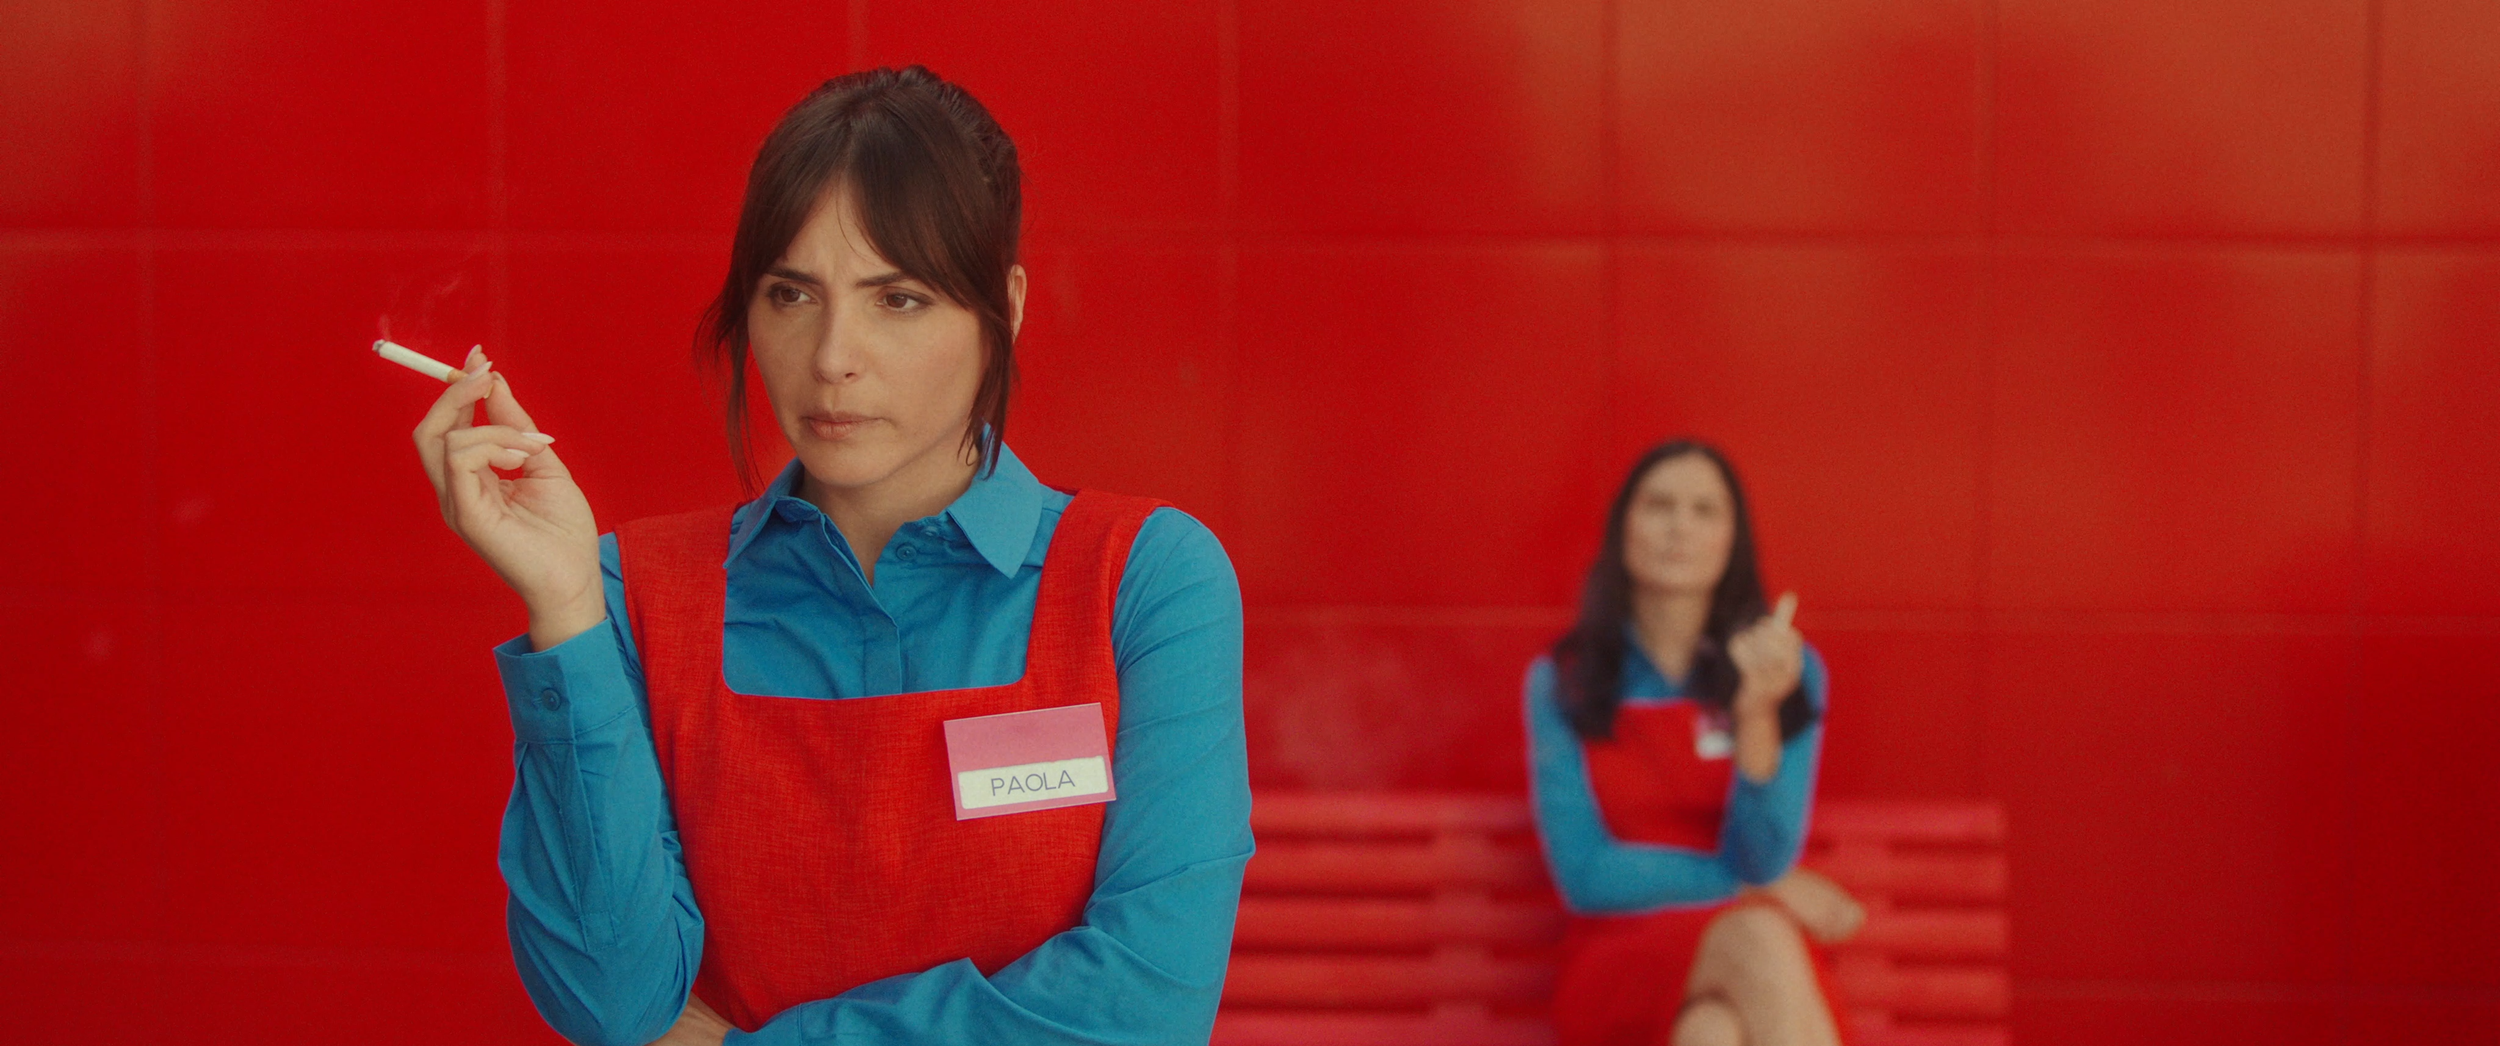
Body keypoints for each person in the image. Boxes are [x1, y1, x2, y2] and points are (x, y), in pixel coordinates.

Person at [408, 67, 1250, 1046]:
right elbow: (612, 1002)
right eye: (791, 293)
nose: (831, 355)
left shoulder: (1142, 582)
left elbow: (1145, 1006)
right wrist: (563, 611)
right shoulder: (630, 595)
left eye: (898, 298)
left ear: (1006, 306)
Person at [1524, 440, 1864, 1046]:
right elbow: (1585, 874)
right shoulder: (1563, 681)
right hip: (1621, 950)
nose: (1679, 527)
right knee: (1759, 936)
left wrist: (1756, 715)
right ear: (1623, 527)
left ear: (1734, 539)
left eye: (1705, 510)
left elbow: (1763, 855)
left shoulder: (1788, 670)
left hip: (1752, 959)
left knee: (1712, 1033)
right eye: (1659, 505)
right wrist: (1753, 890)